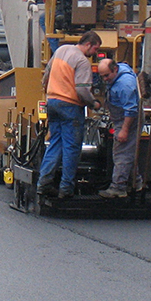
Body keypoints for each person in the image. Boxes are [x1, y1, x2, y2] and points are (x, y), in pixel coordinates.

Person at [37, 31, 101, 198]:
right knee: (71, 147)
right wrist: (93, 103)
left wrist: (48, 93)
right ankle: (66, 190)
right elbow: (82, 90)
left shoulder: (61, 50)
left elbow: (46, 74)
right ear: (88, 44)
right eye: (95, 48)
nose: (95, 52)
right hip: (70, 106)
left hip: (52, 102)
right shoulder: (82, 61)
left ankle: (43, 183)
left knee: (55, 143)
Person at [96, 57, 141, 198]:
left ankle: (118, 188)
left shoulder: (124, 85)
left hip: (127, 119)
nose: (104, 79)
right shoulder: (120, 71)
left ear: (115, 70)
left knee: (121, 153)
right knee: (128, 152)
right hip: (121, 118)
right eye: (101, 76)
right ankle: (136, 182)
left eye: (107, 76)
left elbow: (131, 110)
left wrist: (124, 129)